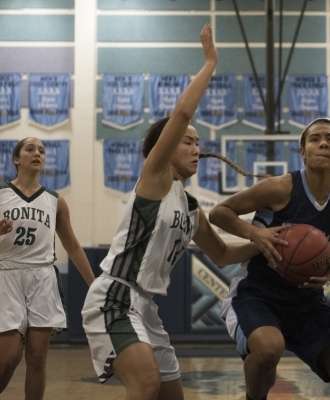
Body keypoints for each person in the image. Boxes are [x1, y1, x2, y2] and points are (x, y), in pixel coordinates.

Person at [82, 25, 263, 400]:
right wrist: (211, 62)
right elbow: (181, 113)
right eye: (188, 141)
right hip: (115, 295)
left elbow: (223, 254)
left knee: (171, 396)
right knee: (145, 384)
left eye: (199, 144)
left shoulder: (192, 207)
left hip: (146, 306)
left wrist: (265, 240)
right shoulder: (155, 178)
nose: (197, 149)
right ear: (164, 149)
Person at [209, 118, 330, 400]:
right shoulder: (280, 187)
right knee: (269, 349)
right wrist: (255, 234)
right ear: (302, 151)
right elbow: (219, 213)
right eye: (315, 138)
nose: (323, 143)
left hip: (307, 303)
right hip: (257, 293)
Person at [0, 137, 95, 400]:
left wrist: (94, 284)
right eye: (30, 149)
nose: (37, 153)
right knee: (7, 358)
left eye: (42, 150)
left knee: (38, 358)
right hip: (6, 275)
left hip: (42, 277)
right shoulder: (1, 195)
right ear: (16, 159)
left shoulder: (55, 201)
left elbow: (73, 245)